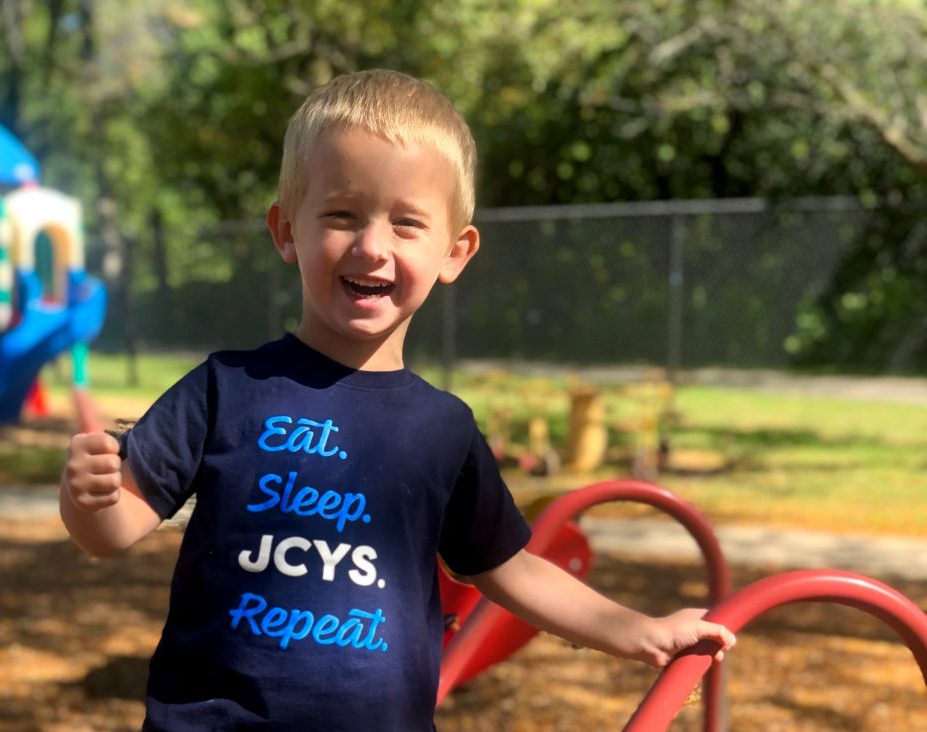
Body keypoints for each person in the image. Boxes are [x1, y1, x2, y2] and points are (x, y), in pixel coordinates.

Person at [60, 69, 734, 731]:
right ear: (287, 230)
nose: (372, 246)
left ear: (455, 251)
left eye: (407, 223)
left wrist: (640, 632)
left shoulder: (442, 430)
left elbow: (513, 571)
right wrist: (89, 499)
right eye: (342, 214)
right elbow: (114, 530)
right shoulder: (227, 388)